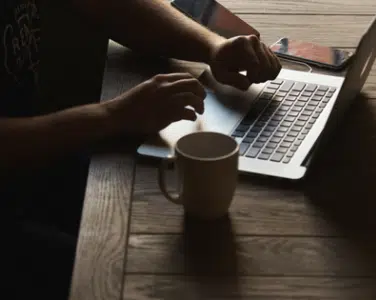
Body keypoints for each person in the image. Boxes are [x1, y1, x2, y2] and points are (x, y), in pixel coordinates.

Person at [1, 0, 281, 298]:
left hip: (38, 165)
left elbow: (114, 7)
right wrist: (114, 116)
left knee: (174, 215)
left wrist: (213, 48)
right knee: (145, 279)